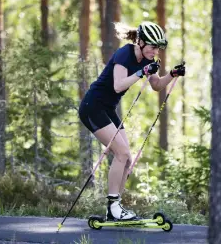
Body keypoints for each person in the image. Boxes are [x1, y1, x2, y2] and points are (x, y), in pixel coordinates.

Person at [78, 21, 185, 221]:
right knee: (122, 153)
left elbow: (156, 86)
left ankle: (116, 206)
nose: (156, 51)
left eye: (158, 48)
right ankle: (113, 207)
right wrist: (140, 73)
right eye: (153, 47)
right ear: (141, 43)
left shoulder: (148, 59)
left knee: (127, 158)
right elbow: (118, 86)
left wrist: (172, 74)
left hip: (107, 109)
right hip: (92, 107)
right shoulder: (124, 55)